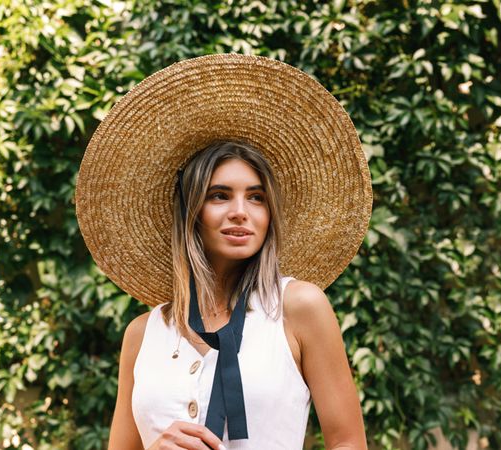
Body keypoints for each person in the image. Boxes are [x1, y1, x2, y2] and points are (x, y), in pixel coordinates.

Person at [75, 54, 373, 450]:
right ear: (191, 213)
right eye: (219, 195)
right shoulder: (142, 335)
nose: (240, 212)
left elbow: (348, 443)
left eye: (256, 197)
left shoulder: (299, 307)